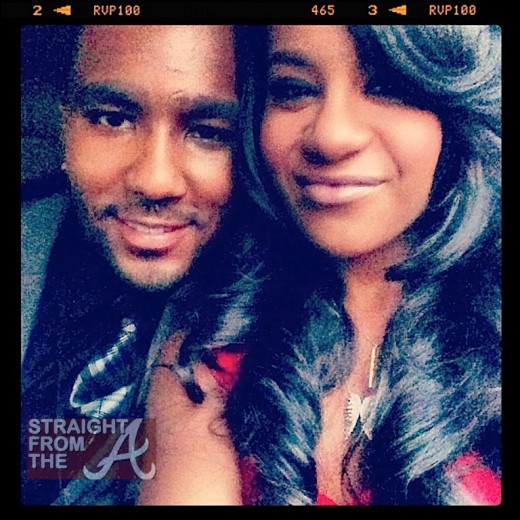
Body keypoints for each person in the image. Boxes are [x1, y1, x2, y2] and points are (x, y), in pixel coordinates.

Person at [142, 25, 501, 505]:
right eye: (293, 89)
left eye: (388, 87)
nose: (331, 137)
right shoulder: (207, 352)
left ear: (457, 106)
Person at [21, 24, 258, 505]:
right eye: (112, 120)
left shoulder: (284, 307)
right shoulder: (32, 240)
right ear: (66, 128)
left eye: (208, 133)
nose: (154, 180)